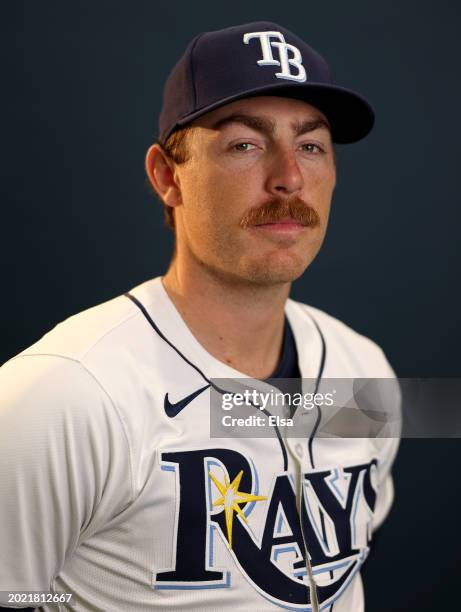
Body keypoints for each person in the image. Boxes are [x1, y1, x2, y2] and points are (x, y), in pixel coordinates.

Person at [0, 21, 400, 612]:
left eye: (312, 145)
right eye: (246, 143)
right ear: (168, 177)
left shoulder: (364, 372)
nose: (289, 176)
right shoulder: (62, 395)